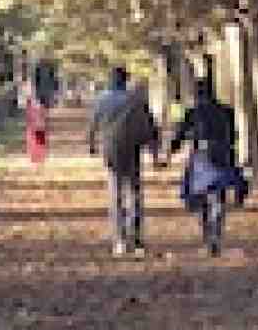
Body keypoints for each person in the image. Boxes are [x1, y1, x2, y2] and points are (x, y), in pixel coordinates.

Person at [162, 77, 249, 256]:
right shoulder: (227, 111)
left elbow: (179, 135)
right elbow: (233, 136)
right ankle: (215, 235)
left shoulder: (193, 113)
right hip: (223, 155)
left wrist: (170, 152)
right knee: (218, 197)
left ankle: (208, 235)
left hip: (201, 157)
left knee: (201, 198)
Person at [88, 66, 159, 256]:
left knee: (116, 193)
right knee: (134, 192)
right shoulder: (136, 100)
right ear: (125, 80)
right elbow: (149, 127)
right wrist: (154, 152)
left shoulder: (102, 100)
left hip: (111, 151)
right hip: (132, 149)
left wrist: (92, 144)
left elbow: (93, 124)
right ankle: (136, 240)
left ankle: (119, 239)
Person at [23, 82, 49, 165]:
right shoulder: (31, 106)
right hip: (36, 126)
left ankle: (39, 158)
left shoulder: (36, 106)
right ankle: (37, 158)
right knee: (35, 143)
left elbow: (42, 114)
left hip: (37, 126)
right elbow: (30, 116)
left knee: (37, 143)